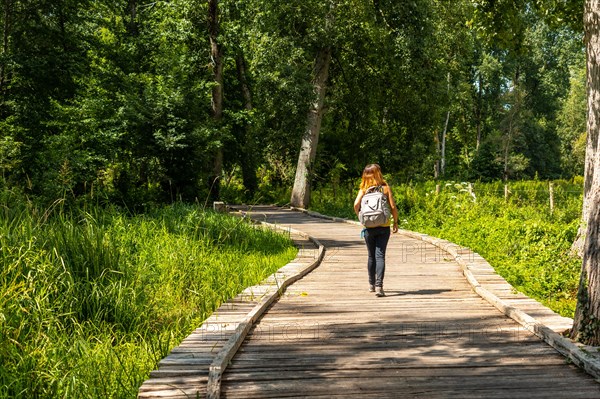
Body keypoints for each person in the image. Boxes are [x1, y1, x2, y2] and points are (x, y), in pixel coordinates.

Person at [353, 164, 399, 297]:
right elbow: (392, 207)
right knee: (380, 256)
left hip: (369, 228)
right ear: (379, 174)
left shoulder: (364, 189)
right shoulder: (385, 188)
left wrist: (361, 217)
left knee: (371, 256)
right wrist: (395, 222)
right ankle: (379, 286)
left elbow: (356, 205)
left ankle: (371, 285)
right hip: (383, 227)